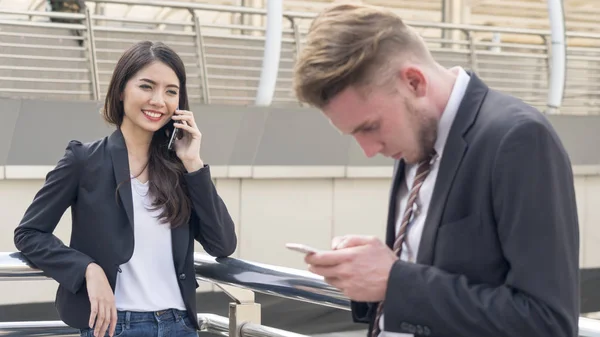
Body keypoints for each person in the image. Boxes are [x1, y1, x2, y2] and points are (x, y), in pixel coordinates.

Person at [293, 3, 579, 337]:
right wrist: (363, 275)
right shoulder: (416, 136)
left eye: (370, 127)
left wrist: (394, 281)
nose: (369, 150)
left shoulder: (518, 139)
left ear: (414, 82)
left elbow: (548, 323)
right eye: (354, 133)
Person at [14, 41, 237, 337]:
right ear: (121, 90)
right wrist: (86, 269)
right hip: (114, 325)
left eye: (171, 91)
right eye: (147, 86)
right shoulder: (84, 160)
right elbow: (29, 233)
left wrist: (194, 163)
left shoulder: (180, 168)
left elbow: (222, 244)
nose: (159, 100)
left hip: (179, 325)